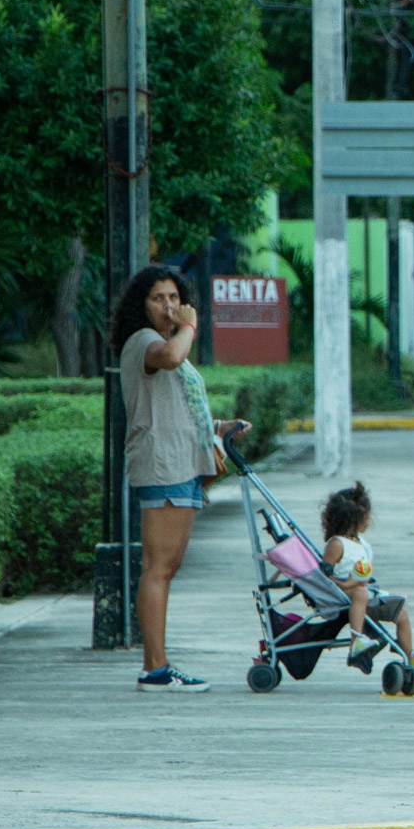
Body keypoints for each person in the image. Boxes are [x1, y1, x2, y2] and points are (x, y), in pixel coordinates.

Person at [110, 264, 250, 692]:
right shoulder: (148, 342)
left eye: (174, 298)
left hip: (180, 462)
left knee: (164, 568)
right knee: (158, 568)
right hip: (164, 465)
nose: (169, 306)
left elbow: (177, 404)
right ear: (142, 305)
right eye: (159, 299)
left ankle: (158, 664)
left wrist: (220, 428)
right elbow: (172, 358)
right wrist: (189, 326)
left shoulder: (164, 342)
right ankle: (155, 668)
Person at [319, 481, 414, 670]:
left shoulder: (361, 543)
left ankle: (410, 656)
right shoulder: (337, 544)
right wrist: (348, 585)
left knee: (401, 612)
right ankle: (356, 641)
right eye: (367, 517)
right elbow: (324, 577)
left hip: (363, 591)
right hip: (345, 594)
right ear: (355, 519)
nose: (369, 521)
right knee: (361, 593)